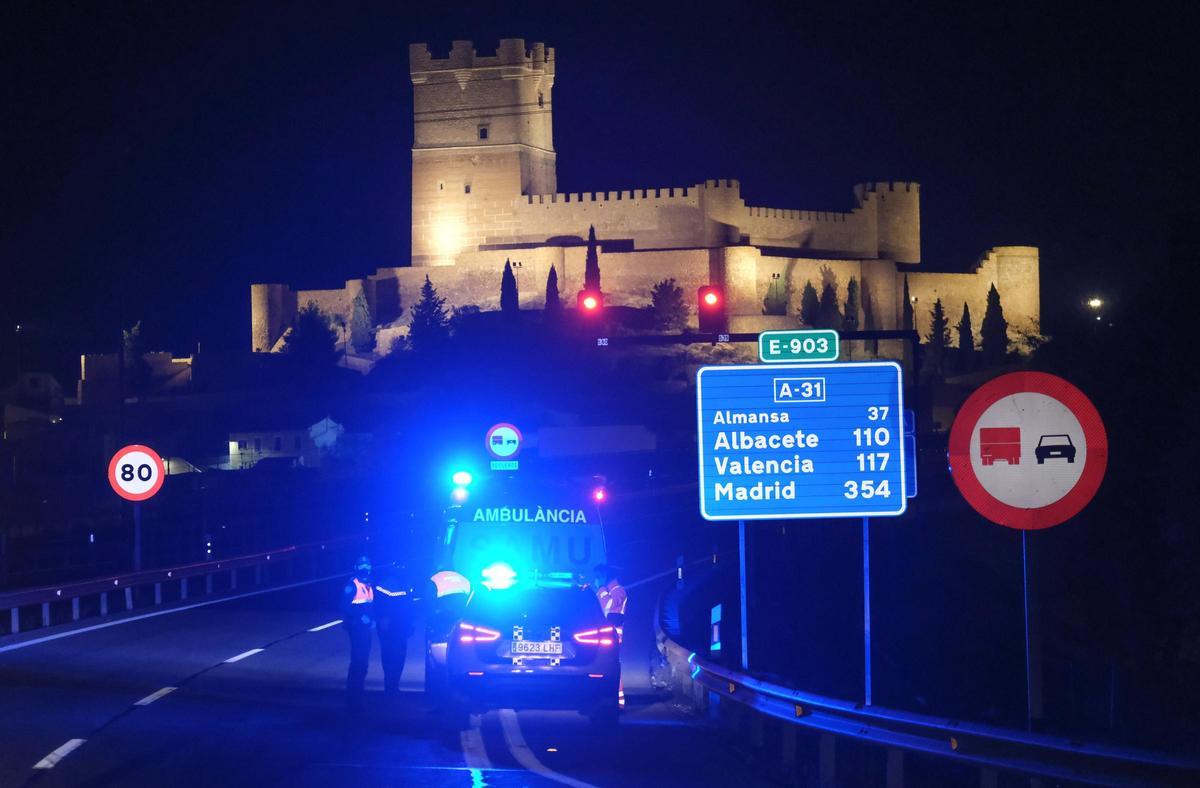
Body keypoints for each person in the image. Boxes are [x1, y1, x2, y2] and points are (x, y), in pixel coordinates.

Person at [340, 555, 376, 708]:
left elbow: (370, 606)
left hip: (366, 629)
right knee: (358, 662)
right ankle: (353, 696)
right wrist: (362, 618)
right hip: (356, 629)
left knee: (363, 662)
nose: (365, 569)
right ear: (356, 568)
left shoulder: (368, 585)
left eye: (367, 566)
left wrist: (372, 620)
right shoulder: (352, 585)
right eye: (362, 567)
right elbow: (345, 606)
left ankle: (358, 693)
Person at [374, 564, 415, 694]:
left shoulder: (404, 584)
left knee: (394, 655)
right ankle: (391, 685)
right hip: (392, 626)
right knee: (392, 655)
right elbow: (380, 606)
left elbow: (409, 607)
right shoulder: (386, 585)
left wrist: (409, 624)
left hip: (397, 626)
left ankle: (392, 685)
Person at [593, 564, 628, 707]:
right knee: (602, 666)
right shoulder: (609, 591)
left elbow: (607, 608)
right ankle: (606, 700)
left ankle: (618, 702)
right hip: (605, 636)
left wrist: (600, 588)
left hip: (614, 636)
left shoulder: (618, 591)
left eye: (598, 577)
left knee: (611, 666)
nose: (595, 580)